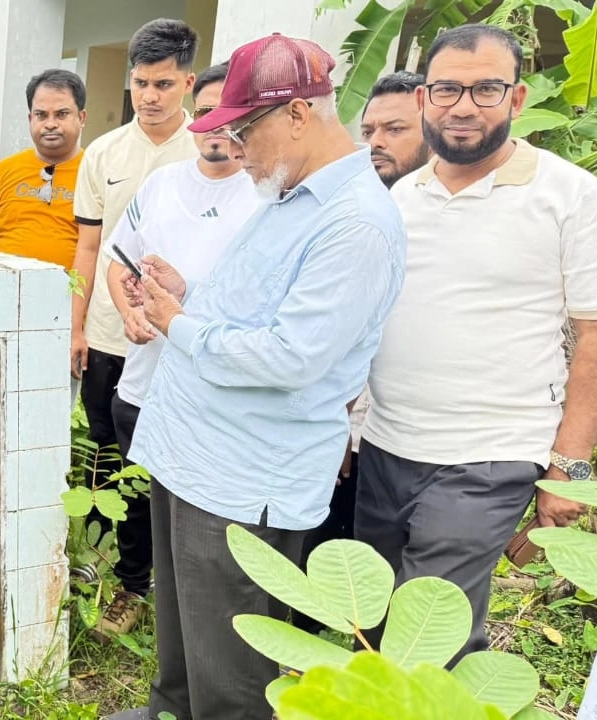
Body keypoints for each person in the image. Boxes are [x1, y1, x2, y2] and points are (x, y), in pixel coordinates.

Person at [128, 33, 406, 720]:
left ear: (298, 115)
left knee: (231, 673)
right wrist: (188, 296)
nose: (236, 149)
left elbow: (293, 356)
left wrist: (176, 325)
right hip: (193, 456)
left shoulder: (355, 225)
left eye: (244, 129)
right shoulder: (287, 198)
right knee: (182, 643)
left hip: (240, 478)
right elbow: (254, 314)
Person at [357, 24, 597, 662]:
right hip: (386, 447)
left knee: (427, 625)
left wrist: (570, 470)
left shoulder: (569, 195)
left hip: (488, 457)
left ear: (518, 98)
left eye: (486, 89)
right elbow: (374, 322)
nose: (464, 106)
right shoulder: (400, 198)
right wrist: (353, 426)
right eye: (446, 89)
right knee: (381, 619)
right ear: (424, 101)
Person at [98, 60, 260, 653]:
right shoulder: (163, 186)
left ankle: (198, 624)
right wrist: (131, 312)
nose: (218, 124)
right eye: (210, 111)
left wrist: (186, 301)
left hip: (218, 395)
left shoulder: (268, 195)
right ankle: (133, 588)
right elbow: (120, 261)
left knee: (206, 524)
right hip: (146, 384)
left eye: (231, 111)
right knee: (138, 503)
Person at [69, 17, 201, 639]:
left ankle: (147, 586)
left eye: (164, 84)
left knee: (160, 471)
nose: (150, 95)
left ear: (189, 83)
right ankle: (110, 575)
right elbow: (88, 252)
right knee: (106, 464)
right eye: (142, 82)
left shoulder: (207, 151)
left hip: (175, 344)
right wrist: (77, 329)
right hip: (106, 336)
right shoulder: (104, 153)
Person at [292, 69, 431, 635]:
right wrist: (344, 428)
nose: (376, 141)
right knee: (323, 564)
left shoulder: (420, 212)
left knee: (398, 584)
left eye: (395, 129)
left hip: (417, 433)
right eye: (369, 128)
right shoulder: (346, 206)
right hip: (347, 424)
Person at [0, 68, 87, 269]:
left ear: (81, 118)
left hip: (72, 296)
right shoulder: (3, 171)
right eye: (41, 115)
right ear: (30, 119)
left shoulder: (96, 174)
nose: (51, 124)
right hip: (5, 293)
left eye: (62, 114)